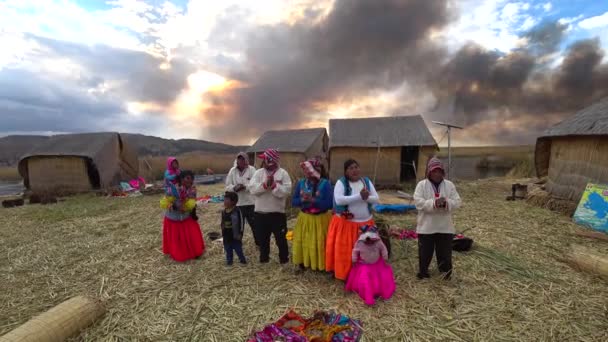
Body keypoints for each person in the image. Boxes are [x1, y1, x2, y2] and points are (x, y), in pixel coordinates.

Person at [326, 159, 379, 280]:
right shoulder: (341, 183)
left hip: (365, 224)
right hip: (346, 225)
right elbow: (339, 200)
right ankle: (345, 274)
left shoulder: (366, 181)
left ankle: (363, 275)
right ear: (345, 172)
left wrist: (366, 198)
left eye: (356, 167)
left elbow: (376, 199)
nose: (354, 170)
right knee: (345, 253)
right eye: (351, 168)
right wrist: (359, 196)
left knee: (365, 252)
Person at [414, 157, 462, 280]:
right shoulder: (422, 185)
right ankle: (424, 273)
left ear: (443, 172)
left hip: (444, 226)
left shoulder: (449, 185)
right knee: (425, 252)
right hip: (426, 226)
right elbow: (418, 202)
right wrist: (434, 204)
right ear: (429, 172)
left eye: (439, 171)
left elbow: (457, 202)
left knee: (445, 252)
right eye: (434, 171)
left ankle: (446, 273)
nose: (437, 174)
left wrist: (446, 203)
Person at [249, 149, 292, 264]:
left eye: (265, 159)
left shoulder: (283, 173)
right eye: (263, 160)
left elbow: (287, 191)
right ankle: (264, 261)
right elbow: (252, 189)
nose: (263, 162)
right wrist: (264, 185)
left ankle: (284, 261)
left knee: (281, 240)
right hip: (260, 213)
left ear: (272, 161)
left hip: (277, 214)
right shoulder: (258, 173)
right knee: (263, 240)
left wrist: (274, 186)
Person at [291, 158, 333, 271]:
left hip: (321, 220)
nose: (309, 172)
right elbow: (293, 202)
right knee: (305, 241)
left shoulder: (326, 184)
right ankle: (304, 262)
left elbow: (329, 204)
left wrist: (314, 201)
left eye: (312, 169)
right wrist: (302, 200)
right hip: (305, 219)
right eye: (307, 170)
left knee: (319, 242)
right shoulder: (301, 183)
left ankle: (320, 265)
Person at [161, 170, 205, 262]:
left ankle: (195, 252)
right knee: (178, 239)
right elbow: (167, 200)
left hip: (186, 216)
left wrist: (186, 206)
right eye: (187, 178)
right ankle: (180, 254)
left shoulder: (192, 189)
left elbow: (192, 200)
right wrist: (176, 205)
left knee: (192, 235)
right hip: (174, 218)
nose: (190, 181)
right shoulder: (172, 188)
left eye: (192, 179)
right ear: (181, 179)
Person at [345, 225, 395, 306]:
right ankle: (368, 294)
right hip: (365, 265)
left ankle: (378, 290)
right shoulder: (360, 243)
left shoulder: (378, 242)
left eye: (372, 239)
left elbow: (383, 249)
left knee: (379, 279)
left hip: (377, 264)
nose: (369, 241)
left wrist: (385, 258)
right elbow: (355, 251)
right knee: (365, 281)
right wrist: (354, 260)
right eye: (367, 239)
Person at [225, 152, 258, 246]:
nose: (241, 161)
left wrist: (245, 187)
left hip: (251, 203)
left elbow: (255, 185)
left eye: (243, 159)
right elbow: (227, 186)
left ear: (246, 160)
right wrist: (234, 188)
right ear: (237, 160)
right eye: (239, 159)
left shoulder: (252, 170)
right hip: (238, 204)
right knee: (238, 226)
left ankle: (259, 244)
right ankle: (237, 244)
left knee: (255, 225)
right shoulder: (232, 171)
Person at [221, 191, 247, 265]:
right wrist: (222, 230)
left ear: (233, 201)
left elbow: (242, 223)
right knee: (228, 250)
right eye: (224, 199)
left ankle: (242, 260)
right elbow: (222, 222)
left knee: (238, 249)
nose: (224, 201)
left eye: (227, 199)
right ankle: (229, 262)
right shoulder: (223, 212)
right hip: (226, 235)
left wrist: (241, 233)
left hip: (235, 235)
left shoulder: (237, 211)